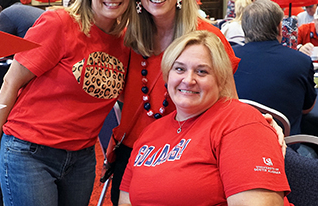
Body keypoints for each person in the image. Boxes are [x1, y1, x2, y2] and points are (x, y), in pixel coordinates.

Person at [0, 0, 133, 206]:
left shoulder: (127, 41)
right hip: (29, 151)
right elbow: (11, 82)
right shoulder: (59, 23)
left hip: (82, 157)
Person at [110, 0, 241, 205]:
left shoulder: (208, 39)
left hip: (189, 157)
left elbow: (230, 107)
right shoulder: (127, 40)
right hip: (133, 155)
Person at [119, 31, 292, 206]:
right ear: (167, 74)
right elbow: (125, 201)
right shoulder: (151, 132)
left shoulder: (240, 122)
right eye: (179, 69)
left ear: (220, 79)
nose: (188, 80)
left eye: (202, 72)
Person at [234, 0, 316, 136]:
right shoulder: (301, 61)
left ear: (244, 27)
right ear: (279, 28)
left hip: (235, 142)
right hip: (285, 147)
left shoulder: (227, 58)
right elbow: (307, 108)